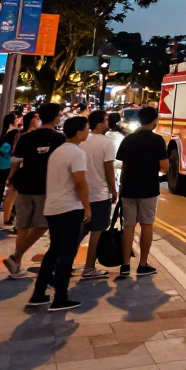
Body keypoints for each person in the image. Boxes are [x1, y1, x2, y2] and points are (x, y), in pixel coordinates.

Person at [26, 116, 91, 311]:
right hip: (68, 208)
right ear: (78, 133)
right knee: (67, 253)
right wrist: (87, 206)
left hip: (53, 207)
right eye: (86, 128)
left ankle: (38, 294)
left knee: (54, 251)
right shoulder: (77, 153)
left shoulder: (58, 151)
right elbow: (80, 182)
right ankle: (60, 297)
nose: (88, 131)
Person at [3, 103, 66, 278]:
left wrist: (11, 179)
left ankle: (16, 265)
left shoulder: (26, 137)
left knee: (23, 225)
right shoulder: (59, 138)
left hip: (24, 186)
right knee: (42, 225)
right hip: (45, 187)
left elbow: (15, 162)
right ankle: (16, 257)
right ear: (55, 117)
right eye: (59, 114)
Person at [115, 106, 168, 278]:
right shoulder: (157, 140)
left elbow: (123, 165)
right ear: (154, 121)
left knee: (128, 227)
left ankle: (125, 265)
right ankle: (143, 264)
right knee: (146, 225)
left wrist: (121, 187)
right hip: (148, 188)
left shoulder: (128, 139)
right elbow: (165, 166)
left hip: (128, 188)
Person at [78, 110, 118, 280]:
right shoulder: (106, 143)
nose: (109, 121)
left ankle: (61, 263)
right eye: (107, 119)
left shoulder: (81, 141)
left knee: (79, 232)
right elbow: (109, 170)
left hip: (81, 195)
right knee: (97, 232)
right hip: (99, 194)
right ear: (100, 124)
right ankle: (89, 267)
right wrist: (114, 190)